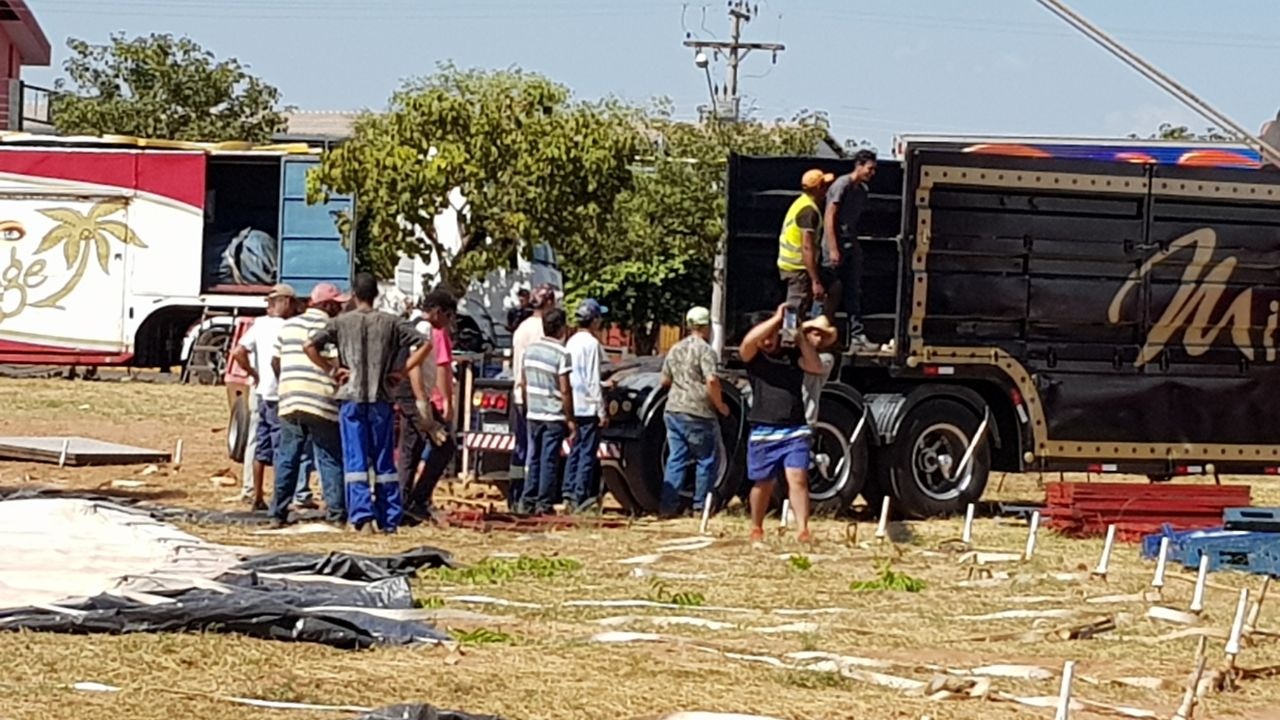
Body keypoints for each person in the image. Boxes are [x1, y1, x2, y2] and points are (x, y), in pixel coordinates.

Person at [305, 272, 432, 533]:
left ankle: (362, 517)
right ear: (376, 294)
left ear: (354, 294)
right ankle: (389, 518)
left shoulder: (341, 323)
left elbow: (309, 345)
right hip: (381, 399)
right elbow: (425, 343)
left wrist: (331, 371)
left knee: (356, 460)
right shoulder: (391, 322)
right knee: (384, 461)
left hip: (351, 398)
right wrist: (402, 371)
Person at [739, 304, 828, 545]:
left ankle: (802, 529)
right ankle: (756, 526)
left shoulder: (792, 356)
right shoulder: (754, 358)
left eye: (771, 335)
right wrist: (776, 318)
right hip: (763, 429)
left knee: (797, 478)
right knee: (763, 482)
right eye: (763, 336)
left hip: (795, 428)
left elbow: (816, 366)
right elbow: (747, 343)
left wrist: (799, 336)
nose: (767, 341)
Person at [270, 283, 349, 527]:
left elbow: (275, 361)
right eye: (336, 304)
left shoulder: (289, 325)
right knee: (328, 456)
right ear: (326, 305)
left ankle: (277, 513)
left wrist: (287, 383)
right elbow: (336, 360)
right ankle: (336, 513)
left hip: (290, 398)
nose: (339, 308)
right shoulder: (330, 327)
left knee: (288, 456)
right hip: (320, 398)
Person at [231, 283, 297, 511]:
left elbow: (238, 352)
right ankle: (280, 498)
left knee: (260, 444)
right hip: (282, 394)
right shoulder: (290, 327)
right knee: (282, 448)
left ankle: (256, 494)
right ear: (287, 302)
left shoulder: (259, 325)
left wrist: (253, 374)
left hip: (261, 392)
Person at [659, 306, 730, 517]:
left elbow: (664, 380)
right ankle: (701, 507)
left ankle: (667, 507)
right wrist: (721, 406)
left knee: (676, 458)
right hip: (698, 412)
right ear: (706, 326)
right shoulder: (706, 350)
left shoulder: (675, 348)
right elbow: (711, 380)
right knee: (707, 459)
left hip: (673, 410)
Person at [405, 290, 460, 520]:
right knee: (428, 446)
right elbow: (415, 366)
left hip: (420, 397)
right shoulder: (423, 328)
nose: (448, 322)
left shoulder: (421, 326)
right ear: (437, 311)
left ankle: (411, 501)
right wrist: (422, 402)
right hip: (414, 397)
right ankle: (411, 501)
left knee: (418, 447)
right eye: (448, 316)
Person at [516, 307, 574, 516]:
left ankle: (527, 499)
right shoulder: (562, 354)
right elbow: (565, 389)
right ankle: (544, 502)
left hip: (534, 413)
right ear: (561, 328)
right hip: (553, 414)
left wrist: (526, 405)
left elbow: (522, 382)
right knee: (549, 459)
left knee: (534, 458)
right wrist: (570, 418)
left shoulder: (530, 350)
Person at [823, 149, 878, 347]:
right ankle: (817, 332)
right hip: (836, 244)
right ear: (859, 166)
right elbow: (830, 216)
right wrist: (832, 248)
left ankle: (857, 336)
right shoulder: (841, 185)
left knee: (853, 290)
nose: (872, 173)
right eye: (869, 169)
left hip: (850, 244)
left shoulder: (862, 191)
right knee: (829, 290)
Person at [508, 284, 557, 507]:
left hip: (520, 394)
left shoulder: (521, 329)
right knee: (538, 451)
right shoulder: (543, 329)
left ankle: (517, 495)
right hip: (539, 397)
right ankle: (533, 496)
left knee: (522, 448)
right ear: (548, 302)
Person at [563, 298, 610, 514]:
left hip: (574, 403)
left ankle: (568, 492)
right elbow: (591, 379)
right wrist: (602, 409)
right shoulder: (592, 344)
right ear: (594, 320)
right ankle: (580, 496)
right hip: (589, 405)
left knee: (575, 450)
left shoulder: (571, 342)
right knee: (587, 454)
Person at [778, 169, 834, 320]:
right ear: (817, 188)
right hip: (798, 267)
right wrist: (815, 280)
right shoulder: (808, 211)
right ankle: (789, 340)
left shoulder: (802, 203)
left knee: (796, 308)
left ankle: (795, 339)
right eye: (824, 185)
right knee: (795, 307)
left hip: (793, 265)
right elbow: (807, 246)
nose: (827, 189)